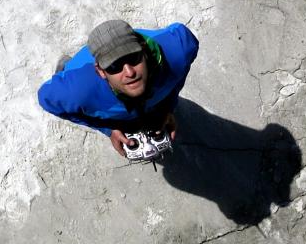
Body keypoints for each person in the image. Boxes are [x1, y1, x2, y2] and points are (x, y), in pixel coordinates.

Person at [37, 19, 200, 158]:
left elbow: (186, 46)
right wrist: (107, 128)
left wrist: (167, 108)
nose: (130, 72)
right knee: (70, 78)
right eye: (114, 66)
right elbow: (47, 98)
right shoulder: (77, 92)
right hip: (80, 76)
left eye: (134, 58)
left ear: (144, 50)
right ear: (100, 71)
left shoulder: (179, 51)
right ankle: (66, 67)